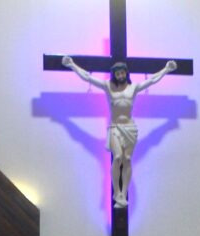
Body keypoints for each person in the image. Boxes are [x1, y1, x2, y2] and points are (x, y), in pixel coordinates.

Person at [60, 56, 178, 207]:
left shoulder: (133, 88)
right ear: (114, 75)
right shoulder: (107, 86)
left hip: (130, 128)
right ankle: (116, 192)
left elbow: (152, 80)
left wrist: (167, 69)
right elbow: (87, 77)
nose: (120, 76)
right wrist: (72, 65)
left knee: (127, 159)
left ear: (126, 74)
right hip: (115, 127)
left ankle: (123, 193)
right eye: (117, 74)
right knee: (117, 158)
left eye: (122, 73)